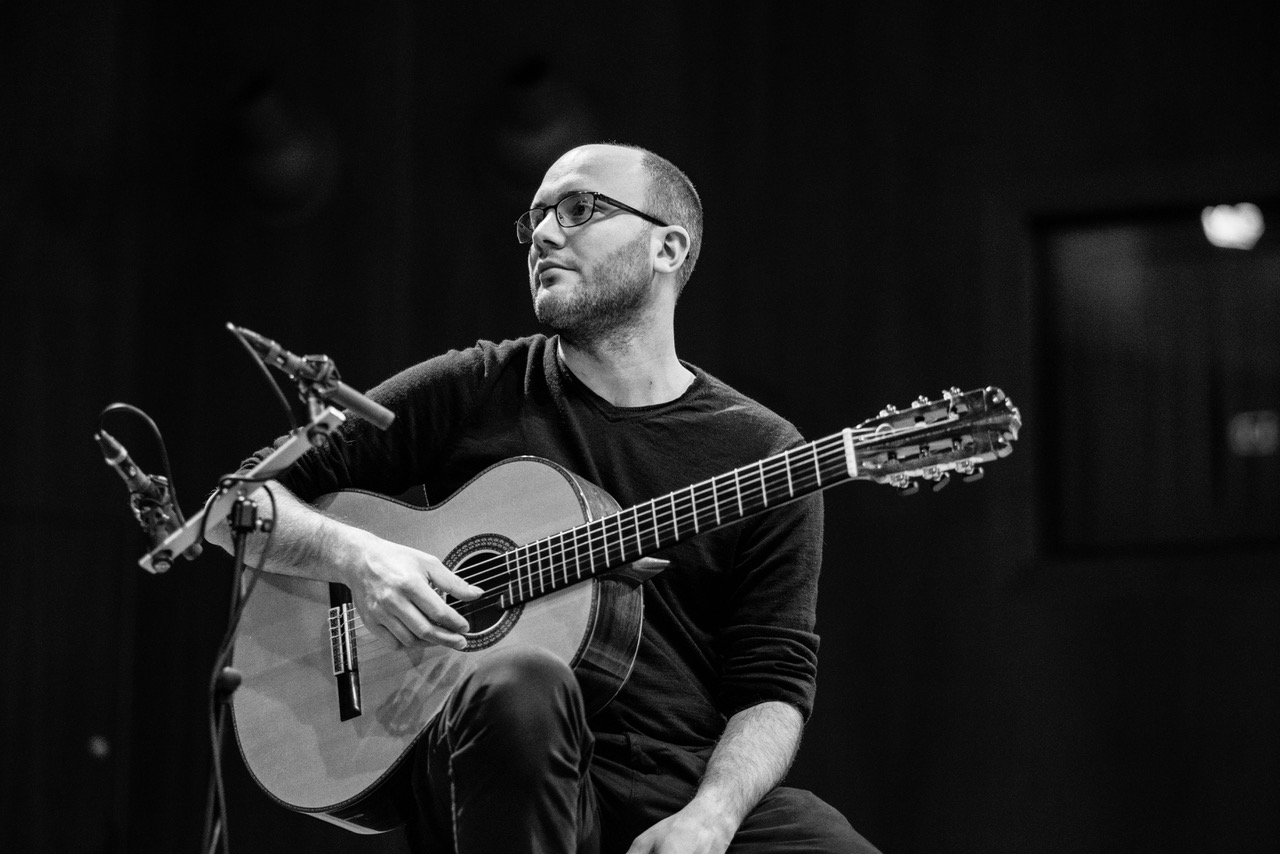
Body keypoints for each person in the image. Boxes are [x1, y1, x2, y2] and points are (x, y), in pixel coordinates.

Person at [209, 143, 881, 854]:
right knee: (524, 682)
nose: (545, 236)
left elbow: (772, 684)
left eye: (579, 209)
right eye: (535, 220)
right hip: (498, 759)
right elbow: (232, 509)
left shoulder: (766, 451)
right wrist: (361, 559)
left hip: (676, 779)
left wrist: (711, 816)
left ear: (668, 248)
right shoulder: (477, 386)